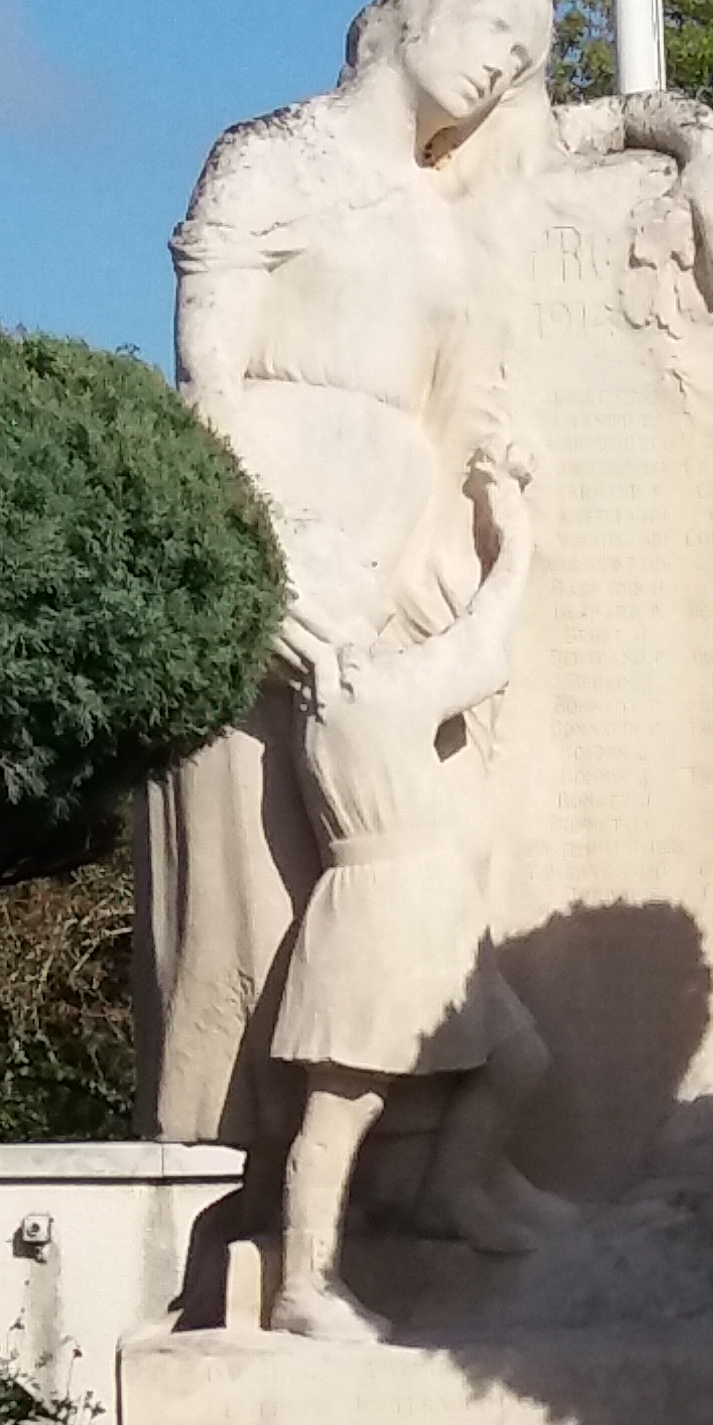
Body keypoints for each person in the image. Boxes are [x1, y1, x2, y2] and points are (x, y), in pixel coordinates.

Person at [139, 0, 713, 1175]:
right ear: (414, 4)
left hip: (399, 551)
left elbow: (617, 121)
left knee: (400, 898)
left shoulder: (459, 180)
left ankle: (410, 1199)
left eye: (528, 54)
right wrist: (249, 559)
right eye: (496, 30)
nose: (508, 69)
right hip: (272, 546)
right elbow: (201, 390)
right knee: (260, 906)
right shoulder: (268, 158)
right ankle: (256, 1222)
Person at [263, 447, 566, 1339]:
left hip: (430, 910)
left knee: (519, 1060)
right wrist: (515, 535)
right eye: (354, 567)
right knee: (344, 1101)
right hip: (385, 913)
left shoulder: (337, 688)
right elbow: (482, 640)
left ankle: (453, 1190)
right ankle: (305, 1287)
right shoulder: (368, 687)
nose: (374, 576)